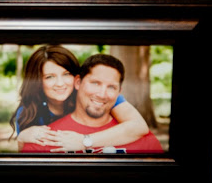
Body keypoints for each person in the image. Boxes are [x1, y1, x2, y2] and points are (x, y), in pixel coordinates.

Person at [10, 46, 150, 152]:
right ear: (36, 81)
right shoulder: (28, 113)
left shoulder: (96, 96)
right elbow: (26, 157)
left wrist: (85, 141)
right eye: (49, 77)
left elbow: (139, 126)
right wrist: (22, 138)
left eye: (66, 74)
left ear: (77, 78)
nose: (60, 83)